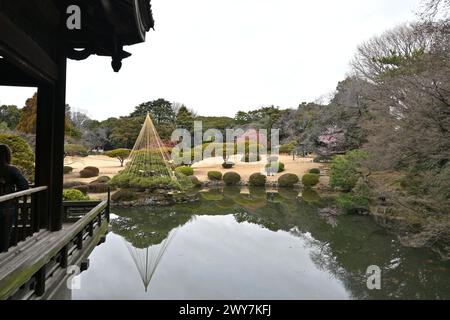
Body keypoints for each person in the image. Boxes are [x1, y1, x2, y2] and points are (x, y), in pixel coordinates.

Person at [0, 145, 29, 252]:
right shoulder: (11, 170)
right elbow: (24, 186)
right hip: (7, 207)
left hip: (6, 206)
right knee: (4, 235)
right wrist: (13, 196)